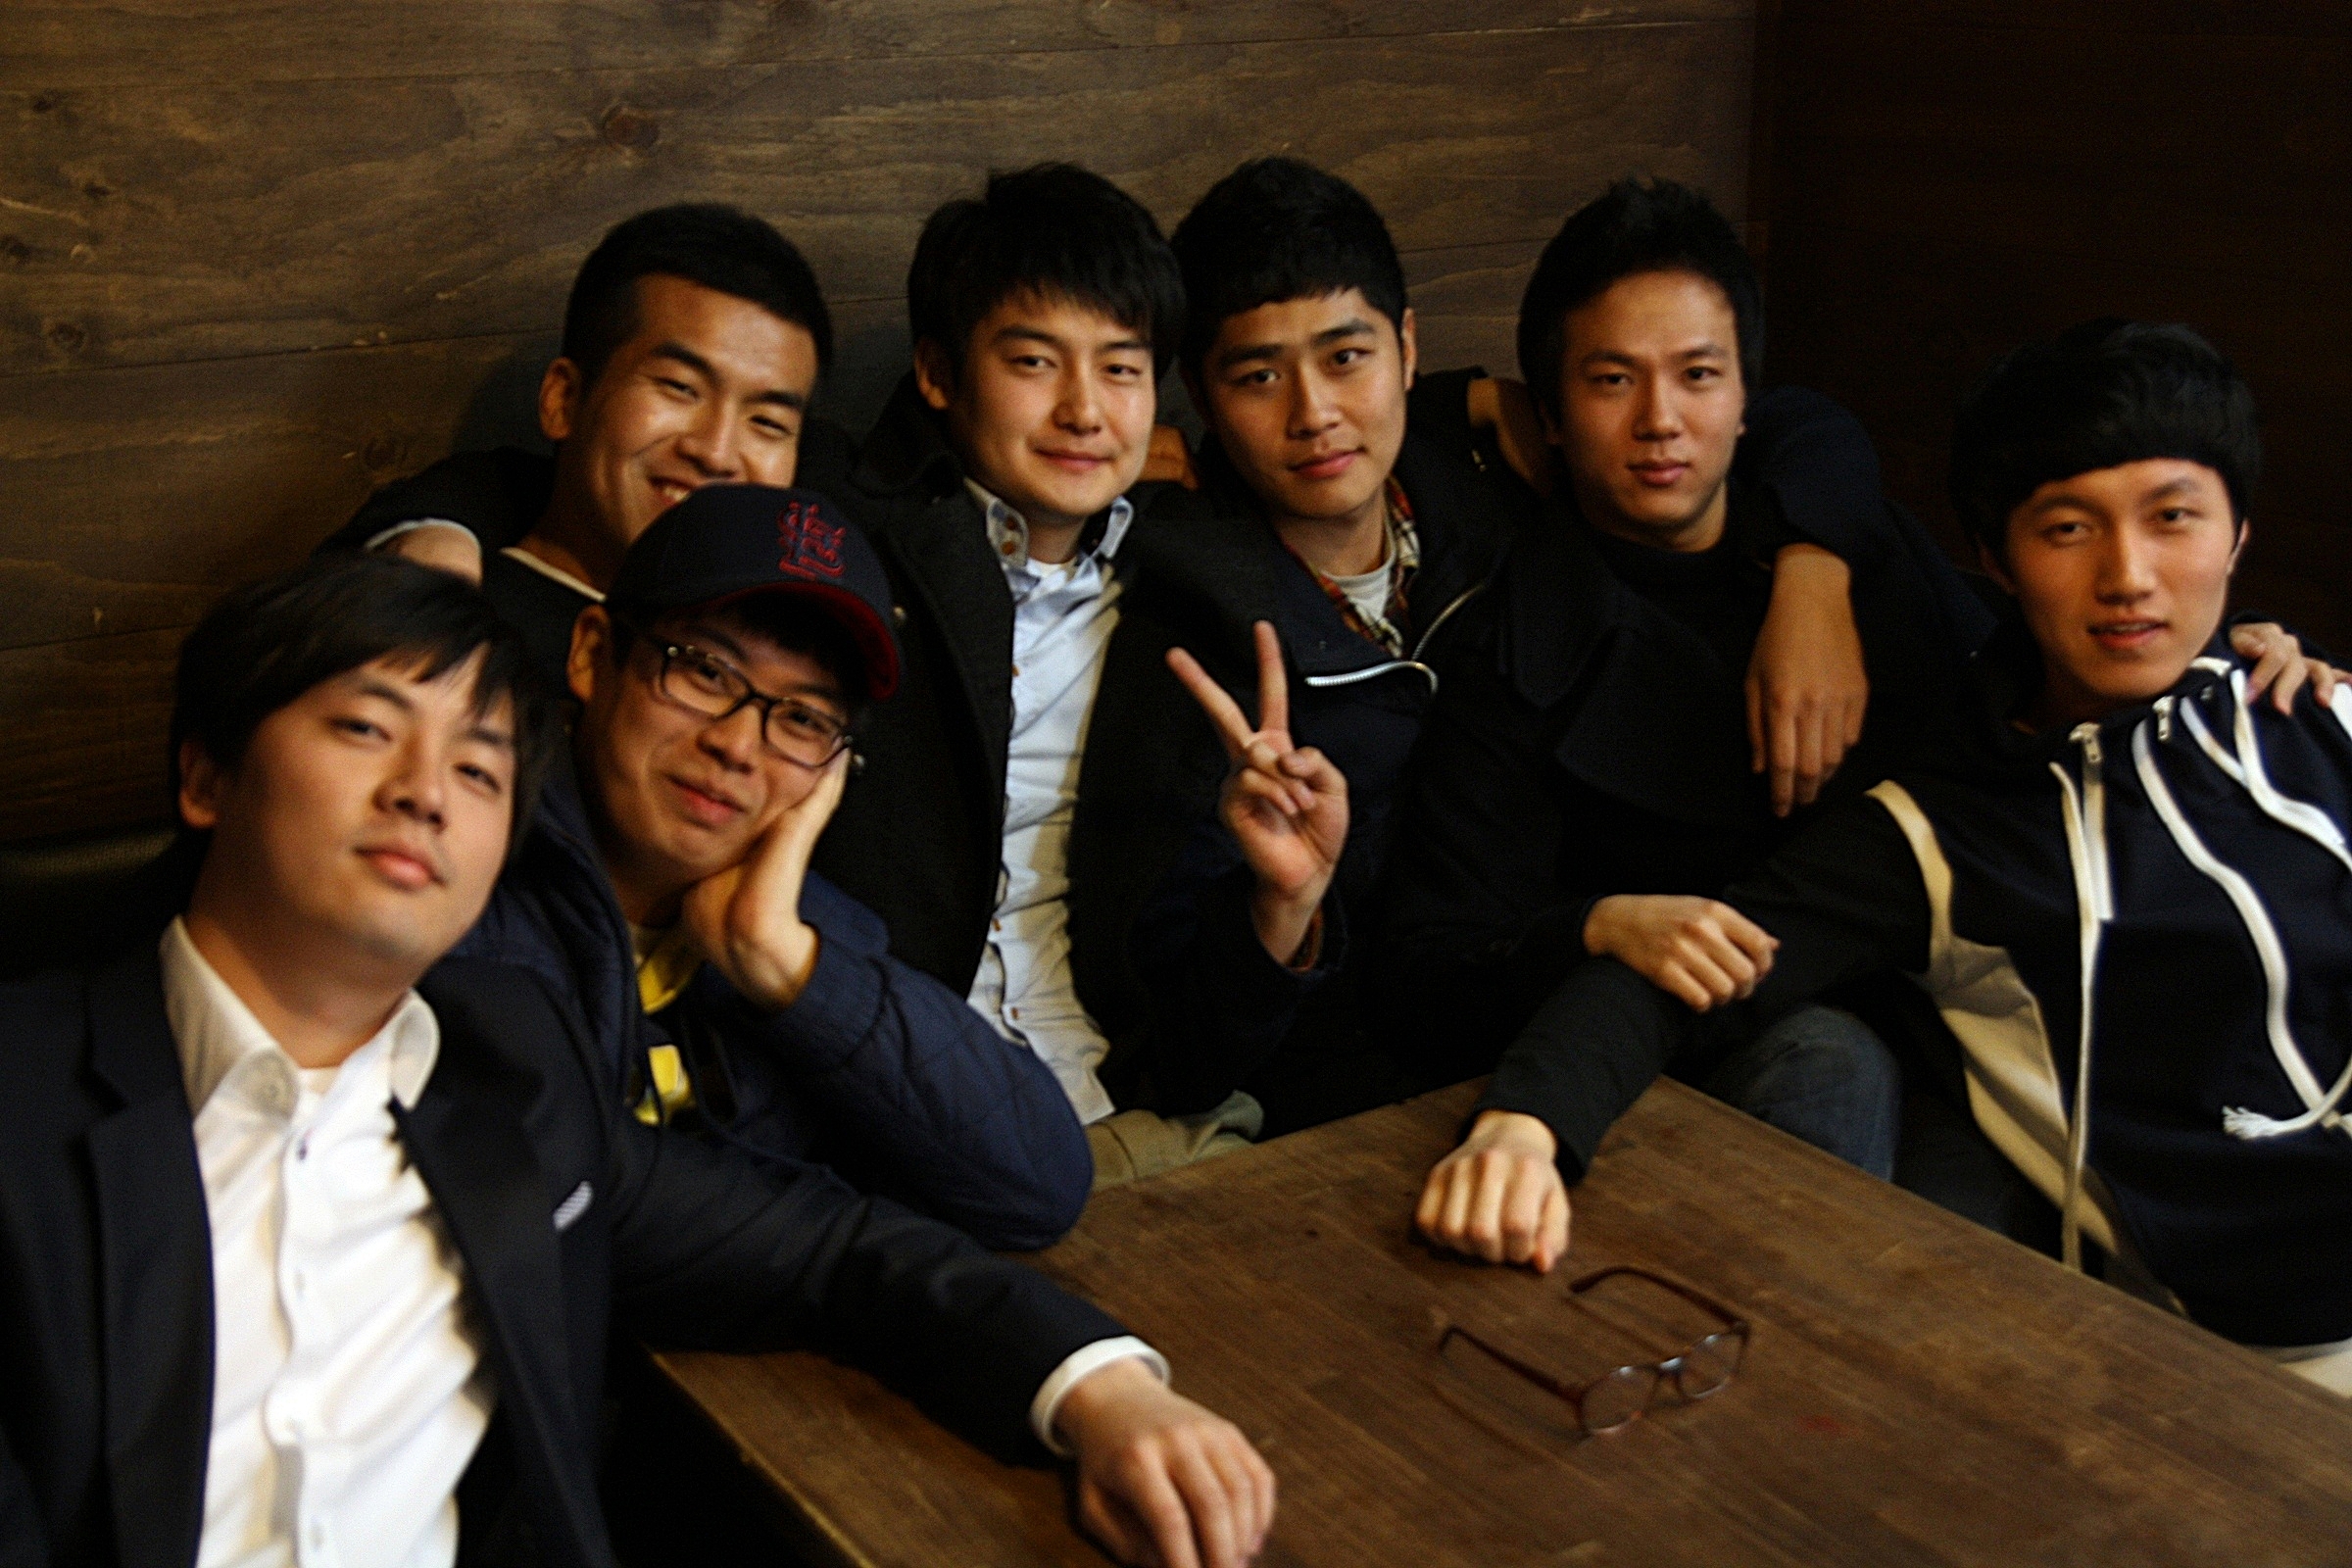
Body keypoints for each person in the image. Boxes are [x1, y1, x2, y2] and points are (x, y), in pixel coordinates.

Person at [0, 554, 1276, 1568]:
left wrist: (1104, 1390)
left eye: (480, 767)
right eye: (365, 729)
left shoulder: (508, 1077)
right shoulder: (33, 1100)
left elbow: (837, 1251)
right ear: (207, 773)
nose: (427, 791)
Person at [1414, 320, 2352, 1397]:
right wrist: (1526, 1128)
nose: (2128, 576)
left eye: (2173, 517)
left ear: (2238, 535)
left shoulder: (2318, 712)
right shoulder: (1936, 835)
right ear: (1997, 559)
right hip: (2251, 1365)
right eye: (2067, 529)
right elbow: (1689, 966)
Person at [1138, 156, 1932, 1135]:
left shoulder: (1478, 497)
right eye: (1259, 376)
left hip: (1564, 1004)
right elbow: (1179, 1028)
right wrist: (1282, 913)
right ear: (1202, 395)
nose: (1315, 414)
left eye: (1346, 358)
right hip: (1364, 1059)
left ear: (1406, 348)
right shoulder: (1194, 621)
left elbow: (1791, 420)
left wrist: (1816, 570)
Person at [452, 482, 1092, 1249]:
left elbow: (1041, 1187)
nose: (737, 745)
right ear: (593, 654)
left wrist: (787, 965)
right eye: (706, 671)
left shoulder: (798, 930)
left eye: (802, 719)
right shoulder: (457, 872)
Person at [810, 163, 1279, 1185]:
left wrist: (1286, 909)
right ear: (939, 372)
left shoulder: (1193, 597)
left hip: (1128, 1114)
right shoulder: (850, 542)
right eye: (1034, 362)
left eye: (1121, 368)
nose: (1085, 411)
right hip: (892, 1130)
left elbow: (1205, 1025)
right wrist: (450, 529)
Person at [319, 203, 854, 687]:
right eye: (679, 387)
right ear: (564, 399)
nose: (715, 452)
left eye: (767, 422)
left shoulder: (811, 654)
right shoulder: (451, 636)